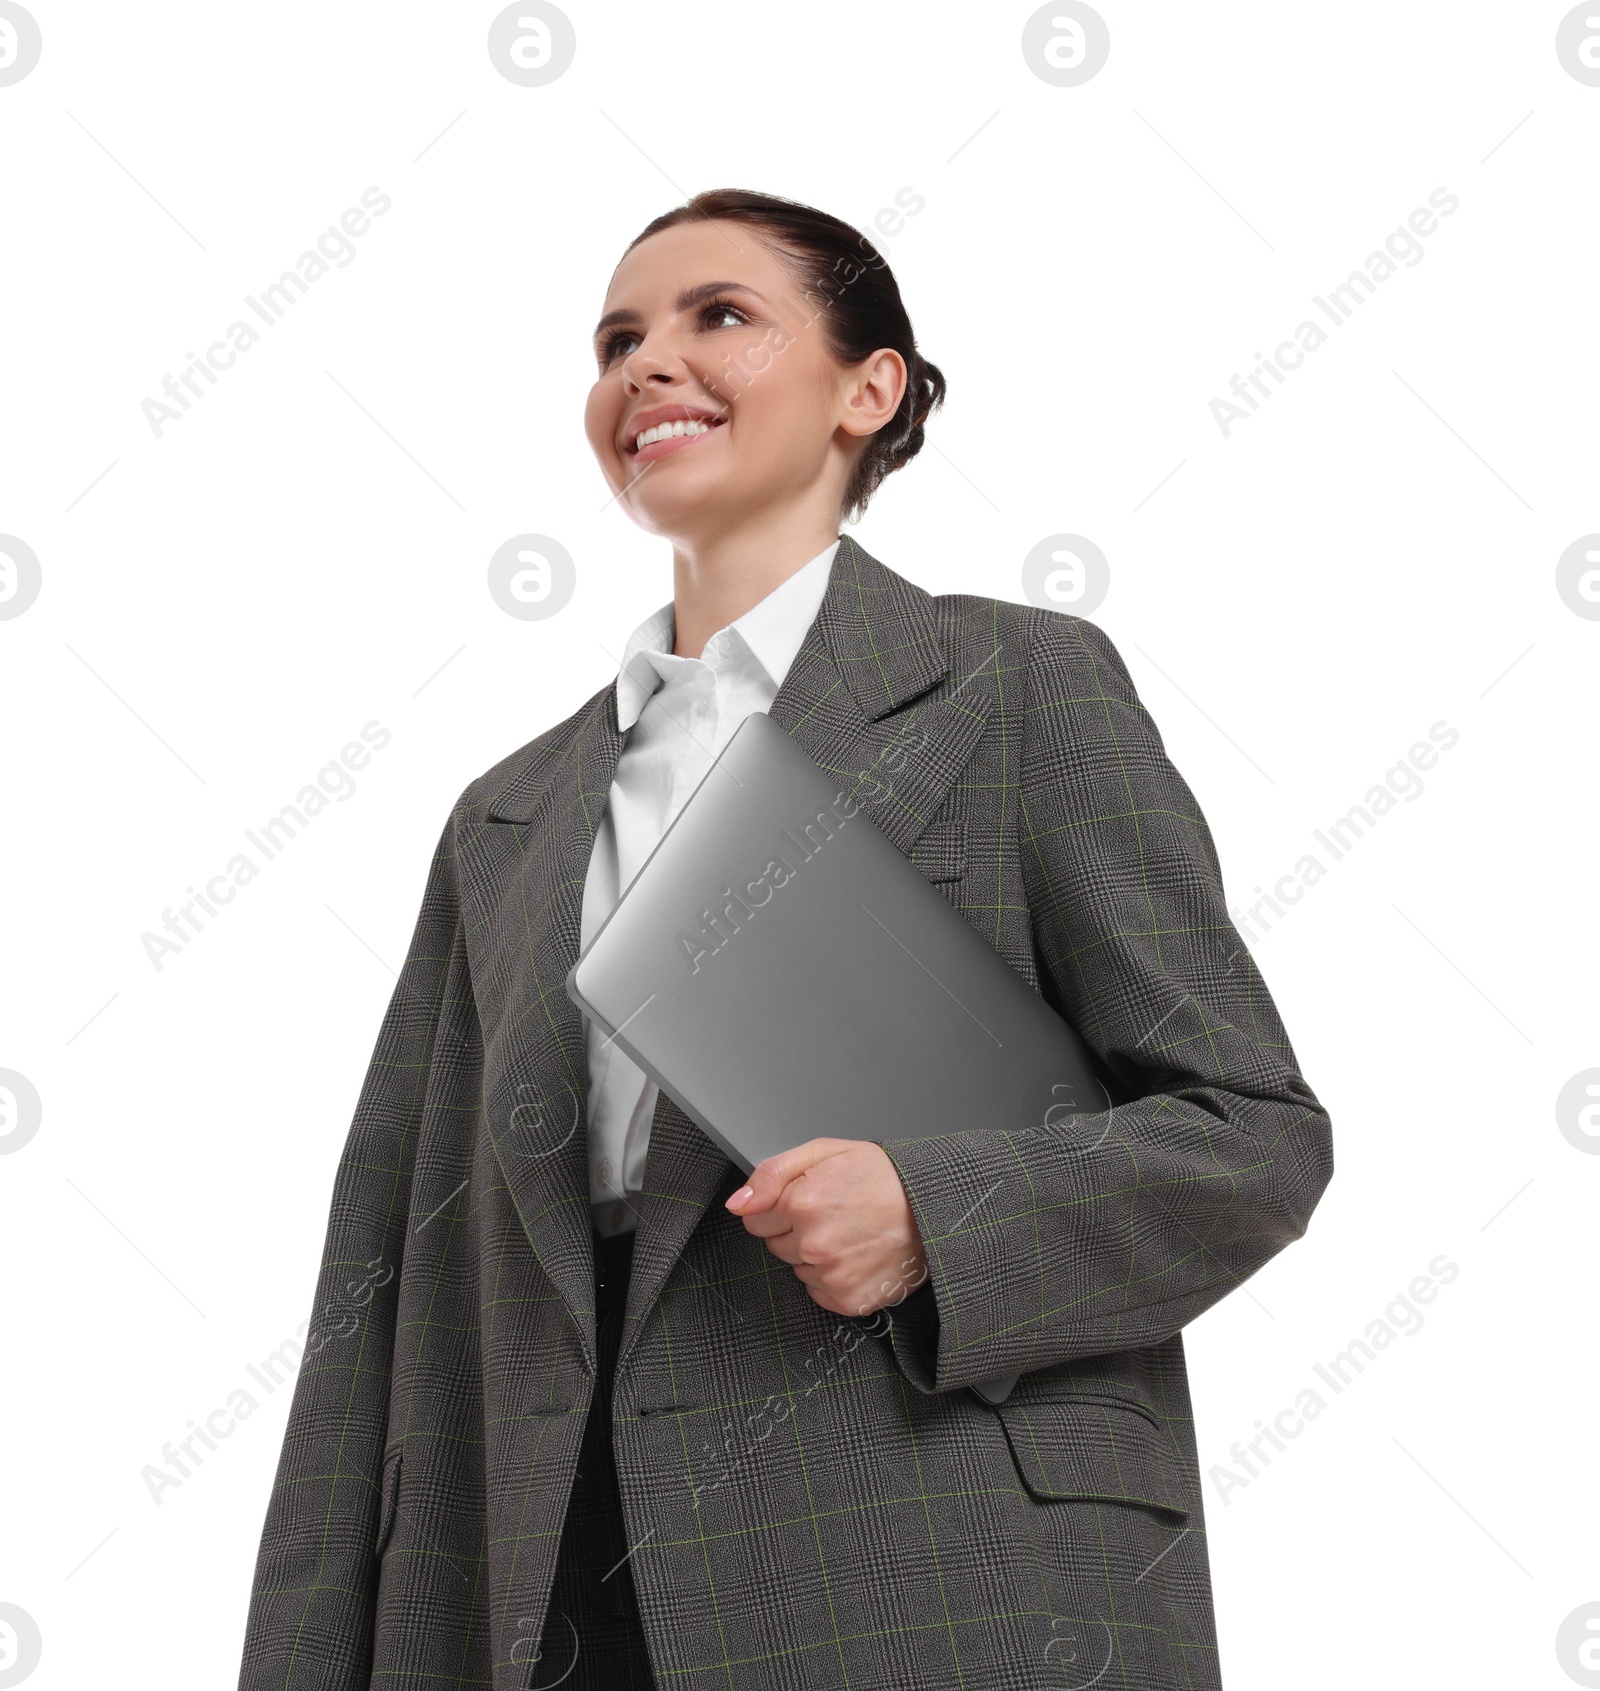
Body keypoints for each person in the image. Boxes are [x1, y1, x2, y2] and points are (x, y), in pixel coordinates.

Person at [236, 187, 1334, 1691]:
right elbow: (378, 1299)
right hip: (538, 1583)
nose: (648, 365)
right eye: (619, 338)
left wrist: (931, 1216)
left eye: (720, 319)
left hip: (931, 1558)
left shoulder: (1018, 688)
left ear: (867, 389)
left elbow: (1255, 1139)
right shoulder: (504, 820)